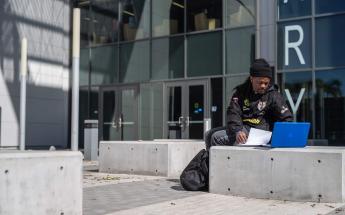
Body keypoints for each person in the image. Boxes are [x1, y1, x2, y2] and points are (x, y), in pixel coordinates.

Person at [205, 58, 293, 149]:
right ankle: (209, 162)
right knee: (208, 134)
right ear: (251, 79)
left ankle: (218, 162)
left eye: (266, 83)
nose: (263, 86)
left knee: (216, 137)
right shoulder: (241, 92)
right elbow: (233, 112)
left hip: (260, 132)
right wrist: (237, 130)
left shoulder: (273, 95)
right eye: (260, 83)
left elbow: (286, 118)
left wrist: (278, 137)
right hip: (244, 128)